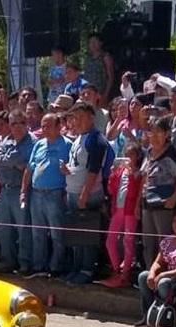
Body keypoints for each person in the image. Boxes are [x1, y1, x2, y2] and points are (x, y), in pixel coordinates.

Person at [61, 102, 108, 285]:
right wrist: (67, 170)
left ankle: (87, 270)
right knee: (76, 235)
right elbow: (79, 165)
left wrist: (84, 194)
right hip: (73, 192)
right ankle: (77, 266)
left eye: (81, 117)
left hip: (88, 195)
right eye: (75, 117)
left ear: (91, 117)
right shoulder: (79, 138)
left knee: (87, 235)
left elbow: (93, 170)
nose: (77, 121)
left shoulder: (96, 139)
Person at [21, 113, 72, 278]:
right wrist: (23, 191)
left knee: (57, 233)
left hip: (55, 194)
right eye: (42, 126)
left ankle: (56, 266)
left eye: (48, 126)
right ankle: (39, 265)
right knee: (38, 232)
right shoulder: (39, 144)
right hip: (36, 194)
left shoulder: (68, 145)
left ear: (59, 127)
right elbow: (29, 168)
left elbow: (73, 170)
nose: (44, 129)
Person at [140, 116, 176, 269]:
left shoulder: (172, 153)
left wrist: (174, 198)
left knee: (165, 242)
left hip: (164, 204)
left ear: (167, 134)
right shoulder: (149, 152)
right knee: (148, 243)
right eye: (151, 133)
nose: (154, 137)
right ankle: (149, 275)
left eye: (158, 133)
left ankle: (164, 278)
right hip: (147, 203)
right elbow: (144, 177)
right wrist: (138, 203)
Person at [0, 109, 35, 274]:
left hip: (21, 191)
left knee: (23, 229)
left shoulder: (31, 141)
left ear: (26, 124)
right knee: (3, 228)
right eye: (13, 123)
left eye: (20, 123)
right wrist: (13, 162)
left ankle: (24, 263)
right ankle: (7, 261)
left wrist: (7, 160)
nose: (17, 127)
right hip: (5, 190)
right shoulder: (5, 140)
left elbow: (23, 162)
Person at [101, 144, 144, 288]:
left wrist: (131, 174)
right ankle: (116, 269)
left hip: (130, 210)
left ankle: (125, 273)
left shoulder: (139, 172)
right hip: (118, 209)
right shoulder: (120, 171)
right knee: (110, 241)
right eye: (126, 154)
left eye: (131, 155)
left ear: (137, 156)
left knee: (128, 241)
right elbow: (111, 190)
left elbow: (134, 191)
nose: (128, 158)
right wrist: (113, 174)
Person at [84, 33, 114, 106]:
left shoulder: (105, 57)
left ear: (100, 43)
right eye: (91, 42)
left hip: (100, 93)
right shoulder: (88, 58)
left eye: (95, 42)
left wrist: (105, 95)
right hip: (88, 94)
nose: (93, 44)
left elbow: (110, 77)